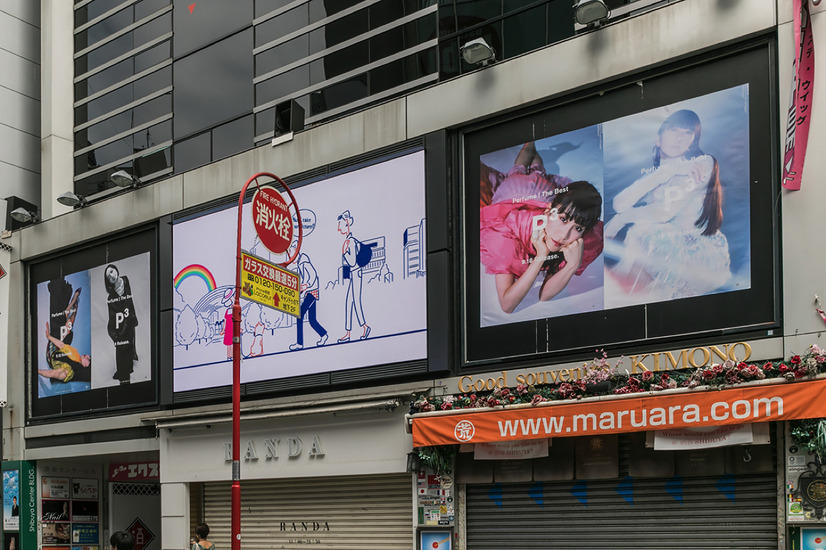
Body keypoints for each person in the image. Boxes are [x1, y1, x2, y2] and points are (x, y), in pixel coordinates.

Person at [603, 109, 731, 299]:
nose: (679, 138)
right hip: (663, 250)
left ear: (692, 141)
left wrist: (620, 220)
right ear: (658, 138)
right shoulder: (658, 176)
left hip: (697, 251)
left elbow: (664, 212)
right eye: (673, 130)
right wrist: (667, 171)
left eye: (687, 133)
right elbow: (619, 204)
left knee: (640, 234)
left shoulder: (703, 164)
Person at [480, 180, 603, 313]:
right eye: (563, 219)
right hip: (517, 189)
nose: (564, 235)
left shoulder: (584, 241)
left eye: (577, 228)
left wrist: (572, 266)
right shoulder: (507, 234)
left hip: (544, 200)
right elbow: (507, 305)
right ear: (548, 211)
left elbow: (544, 296)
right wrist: (540, 257)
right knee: (522, 169)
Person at [336, 210, 371, 342]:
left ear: (346, 224)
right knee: (348, 302)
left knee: (356, 301)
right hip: (354, 274)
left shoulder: (350, 242)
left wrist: (344, 253)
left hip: (356, 273)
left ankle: (365, 327)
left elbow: (351, 262)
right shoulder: (348, 241)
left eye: (340, 225)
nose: (339, 228)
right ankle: (348, 333)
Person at [104, 264, 139, 384]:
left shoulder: (125, 280)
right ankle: (123, 374)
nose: (111, 276)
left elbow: (129, 301)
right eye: (108, 276)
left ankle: (127, 368)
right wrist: (116, 333)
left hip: (129, 319)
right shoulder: (111, 297)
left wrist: (131, 317)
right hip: (120, 325)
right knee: (122, 346)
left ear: (117, 271)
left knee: (130, 342)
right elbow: (112, 318)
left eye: (112, 272)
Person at [290, 250, 328, 350]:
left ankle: (299, 343)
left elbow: (313, 275)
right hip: (310, 292)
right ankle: (323, 335)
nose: (290, 256)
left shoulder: (304, 262)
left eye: (291, 252)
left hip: (311, 293)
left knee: (299, 315)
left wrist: (306, 285)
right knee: (312, 320)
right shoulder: (300, 264)